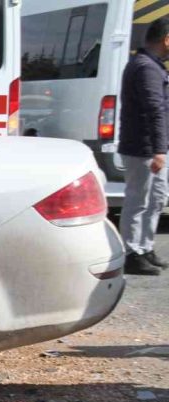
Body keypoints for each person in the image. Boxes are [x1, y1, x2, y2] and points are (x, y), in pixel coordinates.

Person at [119, 18, 169, 275]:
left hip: (152, 147)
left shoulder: (152, 65)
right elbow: (154, 109)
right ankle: (131, 253)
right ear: (166, 39)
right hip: (143, 148)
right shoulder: (146, 67)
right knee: (138, 200)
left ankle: (145, 247)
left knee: (156, 198)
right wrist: (159, 149)